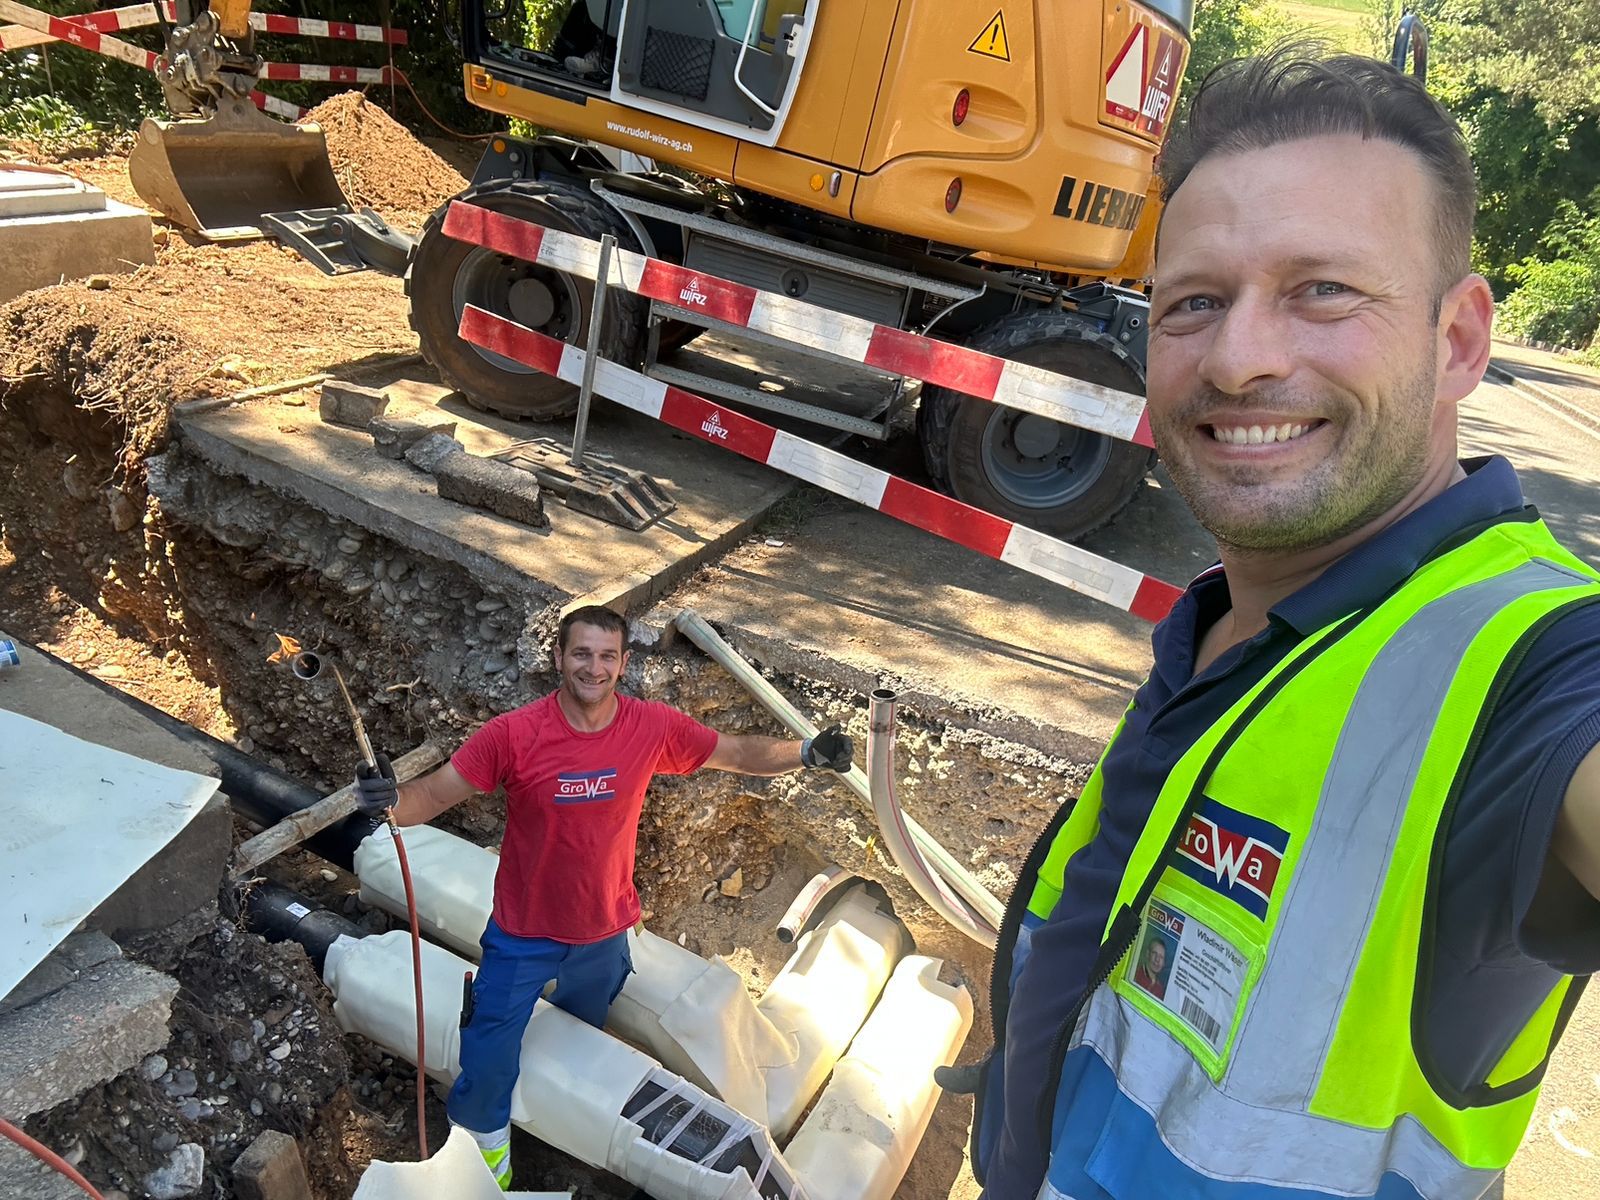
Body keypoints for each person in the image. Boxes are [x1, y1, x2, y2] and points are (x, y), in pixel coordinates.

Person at [970, 46, 1600, 1200]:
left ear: (1457, 340)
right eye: (1193, 303)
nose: (1241, 358)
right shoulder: (1229, 625)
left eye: (1323, 291)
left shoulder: (1533, 661)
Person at [353, 604, 853, 1190]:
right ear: (560, 658)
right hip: (523, 934)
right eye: (582, 653)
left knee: (577, 1036)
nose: (594, 667)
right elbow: (431, 796)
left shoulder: (650, 727)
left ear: (623, 663)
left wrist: (806, 753)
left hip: (604, 933)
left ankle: (556, 1125)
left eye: (607, 656)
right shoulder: (512, 736)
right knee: (486, 1055)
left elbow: (736, 753)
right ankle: (485, 1170)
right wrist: (388, 799)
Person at [1129, 933, 1168, 1000]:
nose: (1157, 959)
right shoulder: (1134, 974)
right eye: (1154, 953)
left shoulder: (1160, 990)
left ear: (1164, 963)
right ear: (1148, 954)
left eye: (1161, 957)